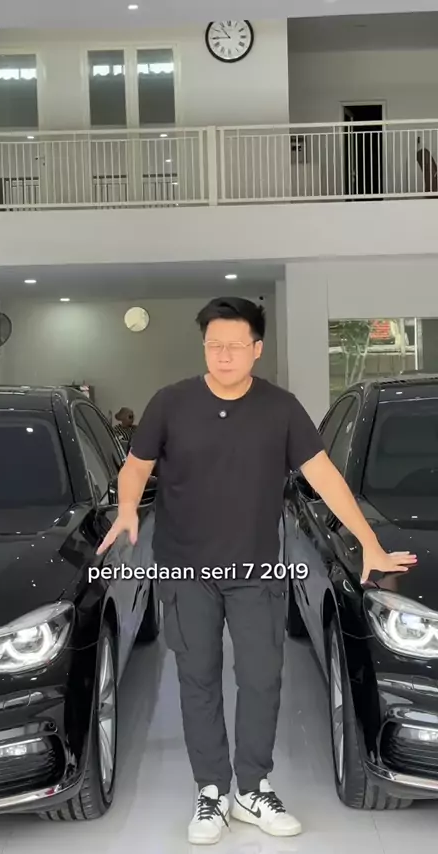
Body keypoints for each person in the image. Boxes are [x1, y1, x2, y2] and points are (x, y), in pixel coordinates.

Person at [97, 297, 416, 844]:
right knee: (197, 678)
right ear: (204, 347)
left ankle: (252, 787)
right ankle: (211, 792)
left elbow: (325, 476)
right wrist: (127, 508)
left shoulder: (281, 408)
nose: (224, 355)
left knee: (262, 677)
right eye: (214, 345)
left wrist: (370, 544)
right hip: (185, 571)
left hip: (257, 569)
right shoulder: (170, 403)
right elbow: (136, 466)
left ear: (257, 349)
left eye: (235, 346)